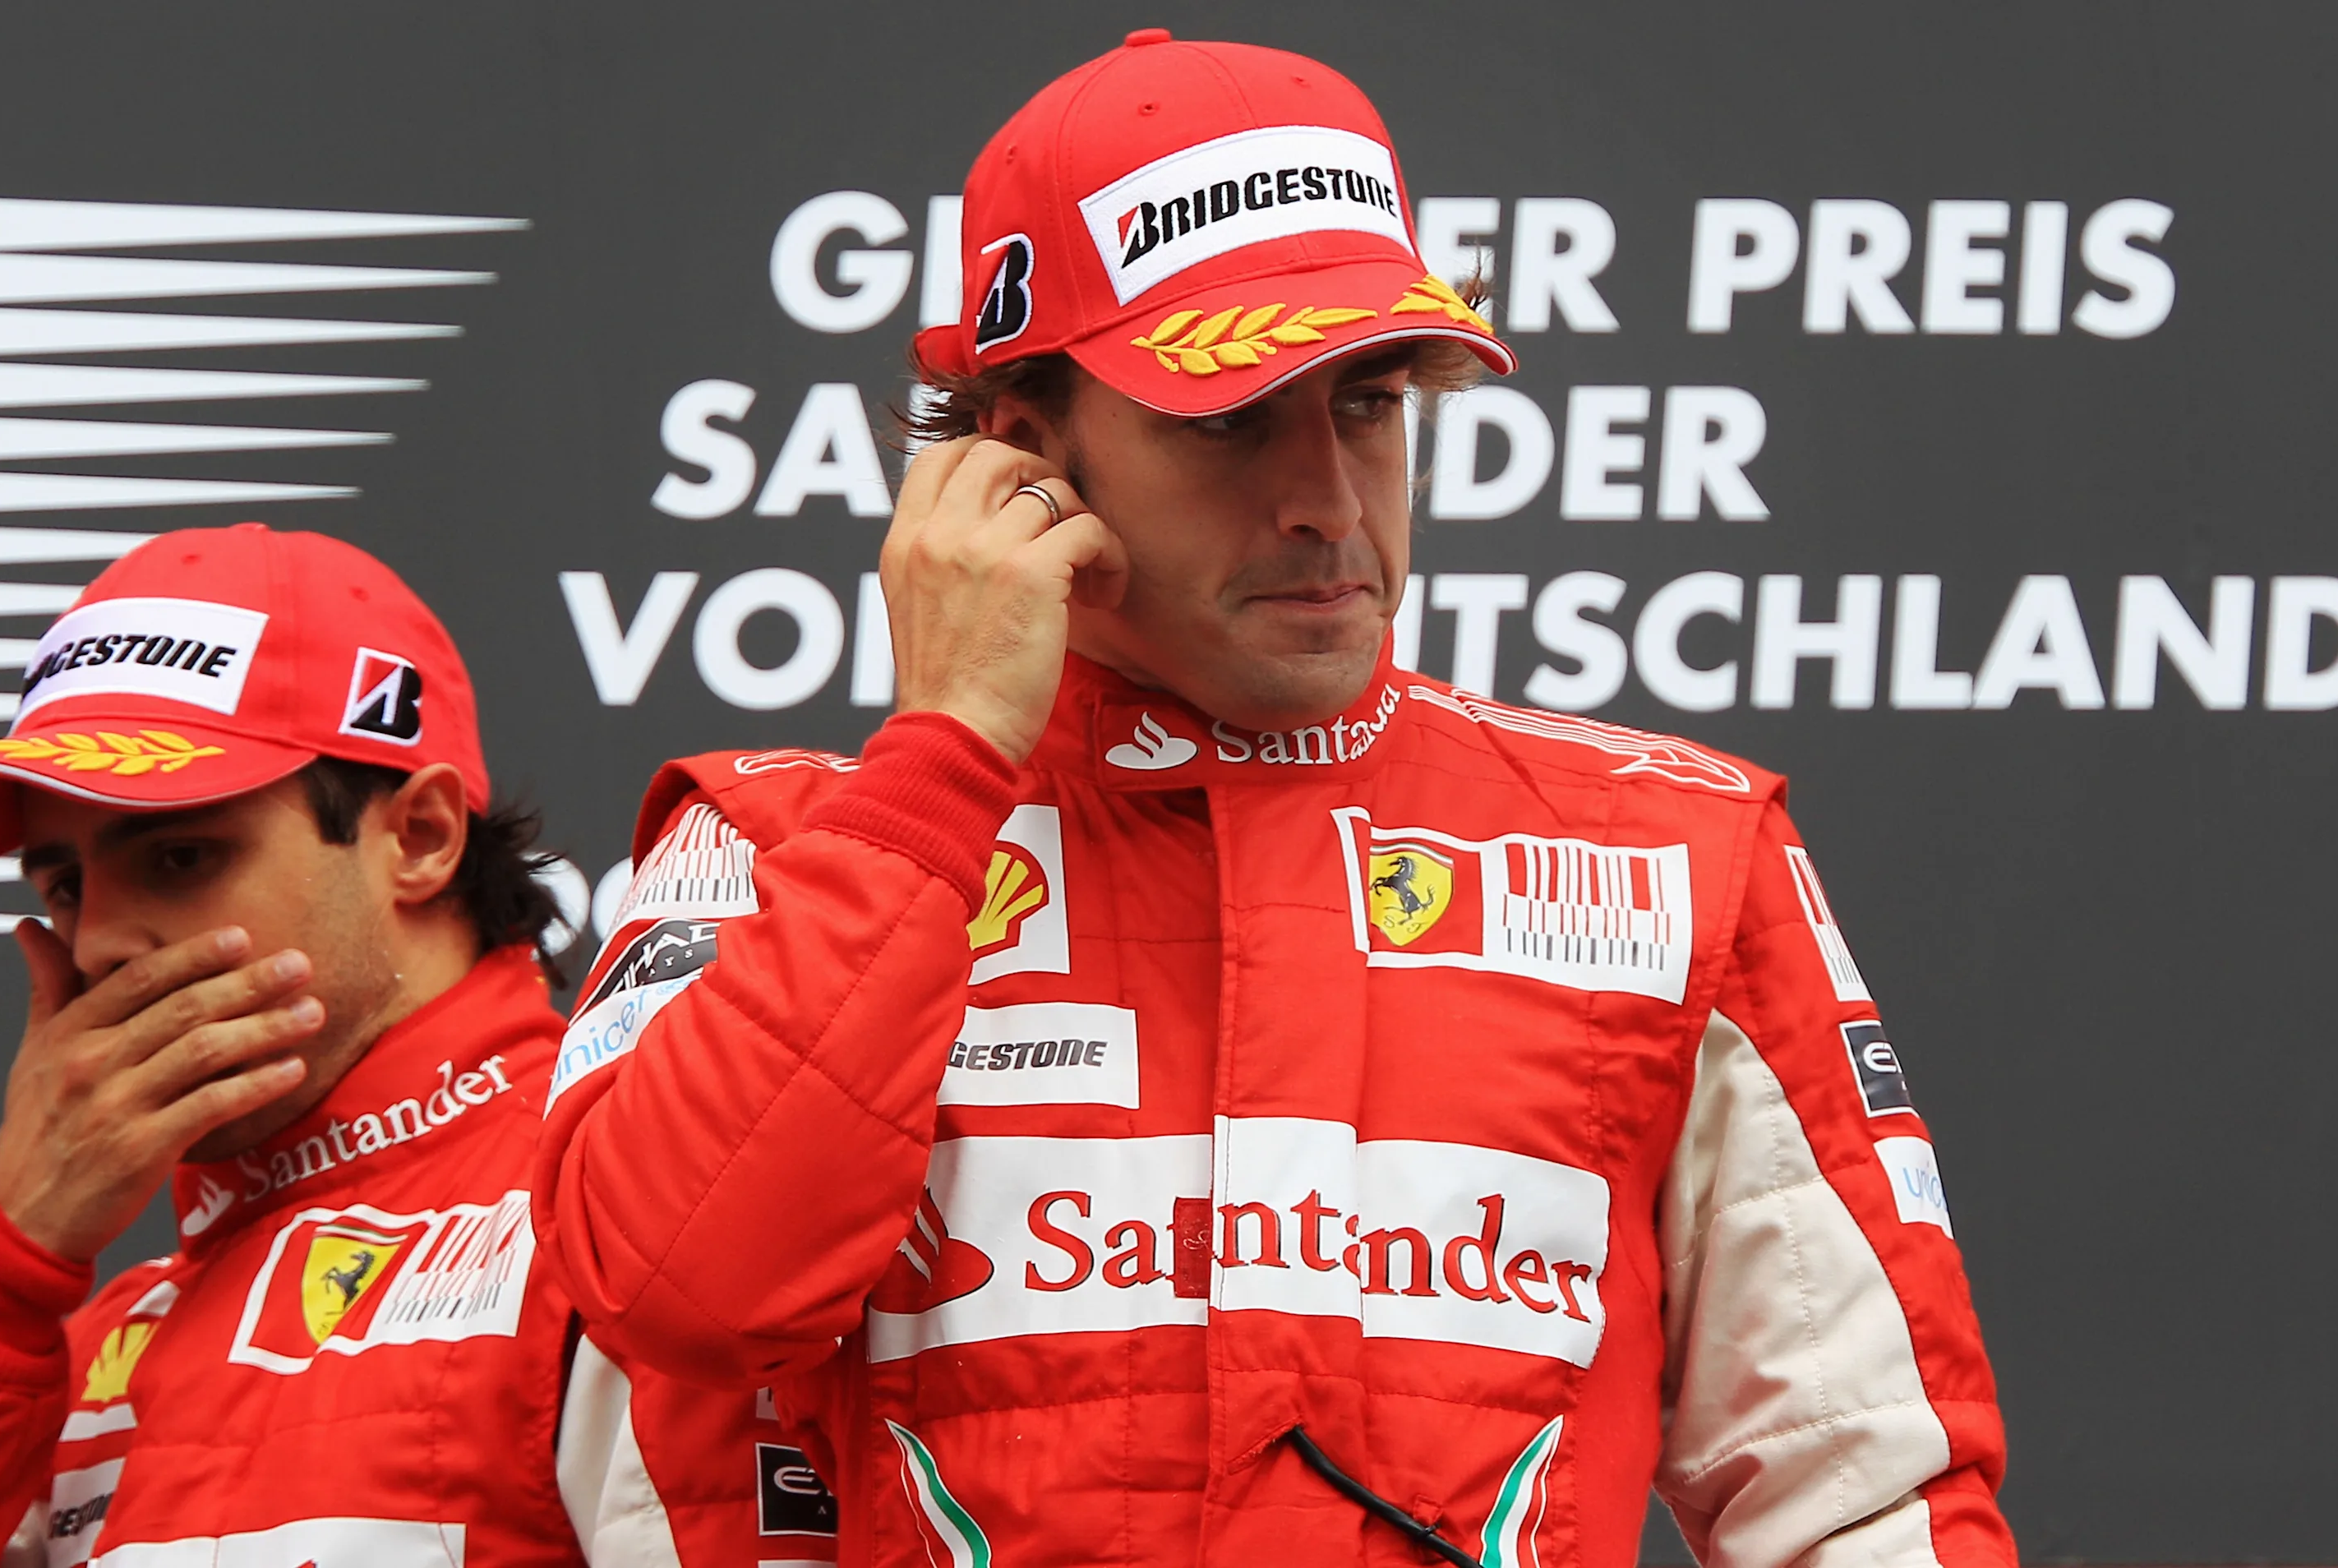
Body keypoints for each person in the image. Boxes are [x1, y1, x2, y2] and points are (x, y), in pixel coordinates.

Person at [537, 30, 2015, 1568]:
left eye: (1370, 404)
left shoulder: (1674, 852)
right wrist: (947, 760)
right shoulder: (770, 846)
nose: (1327, 497)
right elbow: (681, 1297)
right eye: (1230, 418)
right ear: (1026, 454)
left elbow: (1863, 1499)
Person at [0, 523, 835, 1568]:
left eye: (179, 857)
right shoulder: (73, 1349)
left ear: (420, 838)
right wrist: (2, 1269)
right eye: (63, 884)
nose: (98, 942)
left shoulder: (621, 1223)